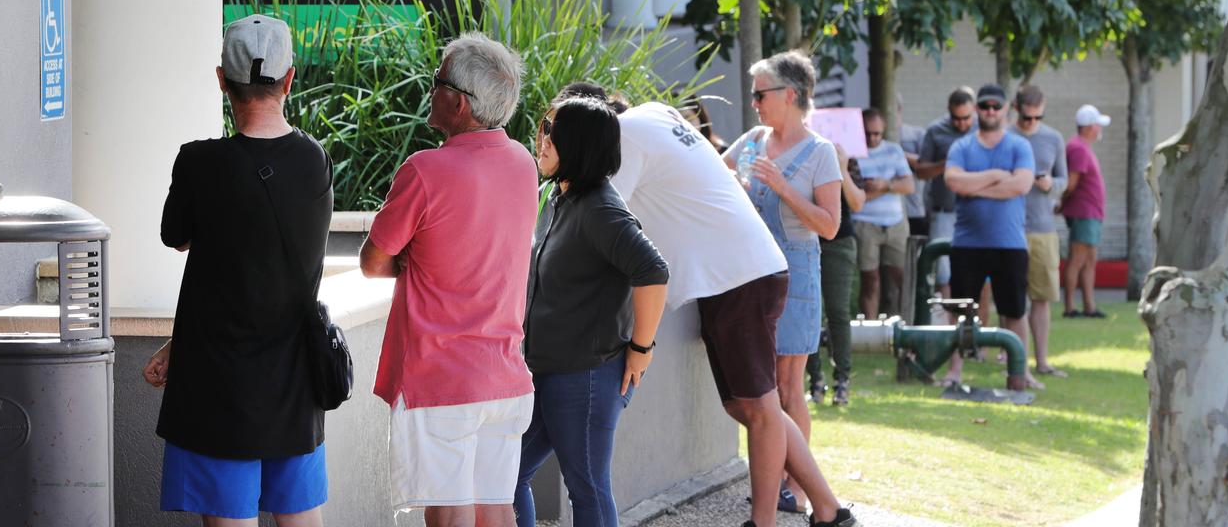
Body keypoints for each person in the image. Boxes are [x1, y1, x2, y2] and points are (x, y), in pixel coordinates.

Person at [611, 97, 859, 527]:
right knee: (748, 408)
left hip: (739, 278)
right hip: (740, 274)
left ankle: (765, 522)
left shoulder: (625, 133)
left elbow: (610, 214)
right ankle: (828, 509)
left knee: (760, 410)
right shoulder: (657, 115)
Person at [144, 14, 333, 526]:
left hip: (217, 384)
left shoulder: (198, 164)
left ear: (222, 80)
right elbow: (266, 266)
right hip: (294, 383)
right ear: (290, 79)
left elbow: (181, 239)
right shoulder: (314, 160)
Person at [359, 33, 537, 526]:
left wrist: (414, 261)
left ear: (457, 102)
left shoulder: (424, 170)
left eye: (437, 82)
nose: (430, 89)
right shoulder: (524, 163)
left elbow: (373, 261)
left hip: (442, 380)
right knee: (496, 509)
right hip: (505, 374)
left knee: (450, 515)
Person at [514, 96, 670, 527]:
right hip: (547, 371)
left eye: (552, 130)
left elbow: (653, 271)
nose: (541, 138)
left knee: (587, 489)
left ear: (579, 143)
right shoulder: (559, 196)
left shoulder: (601, 208)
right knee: (506, 476)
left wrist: (642, 348)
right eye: (544, 126)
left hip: (585, 376)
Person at [722, 52, 843, 514]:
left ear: (789, 95)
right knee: (760, 386)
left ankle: (792, 486)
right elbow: (718, 173)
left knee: (788, 386)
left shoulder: (820, 153)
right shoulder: (752, 140)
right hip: (752, 273)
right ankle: (774, 487)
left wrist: (784, 188)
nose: (753, 102)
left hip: (796, 276)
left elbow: (830, 226)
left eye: (760, 94)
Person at [939, 84, 1040, 390]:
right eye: (985, 107)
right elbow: (954, 181)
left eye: (996, 107)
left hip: (1009, 243)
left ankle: (1020, 371)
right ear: (977, 109)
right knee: (960, 310)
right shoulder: (962, 147)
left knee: (1014, 311)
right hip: (968, 243)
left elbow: (1021, 185)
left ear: (1006, 109)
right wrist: (997, 175)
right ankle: (954, 370)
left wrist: (977, 186)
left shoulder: (1019, 146)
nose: (990, 112)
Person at [1008, 85, 1069, 377]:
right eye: (1027, 118)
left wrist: (1050, 185)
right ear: (1017, 109)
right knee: (1012, 298)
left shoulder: (1053, 138)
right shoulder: (1006, 137)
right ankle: (1015, 358)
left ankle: (1042, 361)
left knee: (1042, 297)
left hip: (1043, 227)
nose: (1033, 122)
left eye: (1038, 117)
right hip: (1010, 226)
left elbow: (1064, 180)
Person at [807, 153, 866, 406]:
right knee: (809, 311)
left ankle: (842, 380)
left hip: (839, 242)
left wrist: (841, 169)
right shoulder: (803, 151)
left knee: (838, 312)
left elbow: (857, 203)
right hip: (804, 238)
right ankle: (815, 380)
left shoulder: (847, 158)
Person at [913, 87, 977, 300]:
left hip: (977, 208)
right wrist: (947, 163)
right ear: (948, 111)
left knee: (978, 268)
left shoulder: (981, 130)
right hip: (945, 210)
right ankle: (949, 325)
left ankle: (979, 326)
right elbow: (921, 170)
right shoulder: (936, 130)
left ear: (974, 111)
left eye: (966, 118)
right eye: (956, 118)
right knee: (943, 270)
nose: (961, 123)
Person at [853, 108, 915, 319]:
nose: (872, 138)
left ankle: (908, 325)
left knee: (902, 276)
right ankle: (870, 329)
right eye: (868, 133)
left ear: (884, 131)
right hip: (864, 223)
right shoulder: (851, 154)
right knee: (870, 278)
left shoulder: (894, 150)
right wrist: (890, 186)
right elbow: (855, 197)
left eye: (877, 133)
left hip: (895, 223)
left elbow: (909, 185)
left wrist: (883, 185)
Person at [1060, 104, 1111, 318]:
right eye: (1098, 125)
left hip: (1091, 212)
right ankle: (1070, 307)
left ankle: (1090, 305)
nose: (1100, 129)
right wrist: (1061, 204)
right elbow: (1071, 183)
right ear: (1089, 126)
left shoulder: (1083, 146)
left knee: (1090, 260)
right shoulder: (1078, 148)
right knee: (1078, 259)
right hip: (1084, 211)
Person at [897, 94, 928, 237]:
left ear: (900, 110)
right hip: (887, 212)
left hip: (914, 207)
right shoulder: (872, 135)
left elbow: (926, 163)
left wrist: (899, 155)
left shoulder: (915, 134)